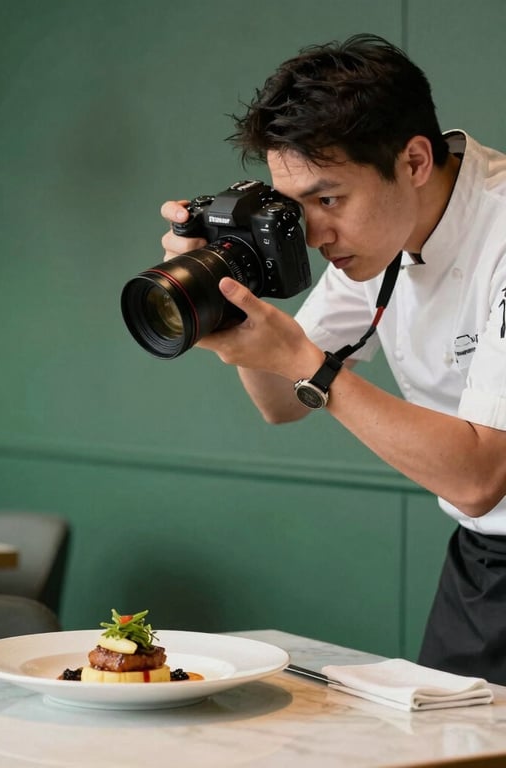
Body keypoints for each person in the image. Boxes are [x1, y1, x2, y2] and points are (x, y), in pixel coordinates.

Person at [160, 33, 506, 684]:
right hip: (482, 561)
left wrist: (309, 363)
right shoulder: (371, 234)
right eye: (298, 207)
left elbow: (480, 477)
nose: (316, 235)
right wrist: (232, 311)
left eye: (329, 199)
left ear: (413, 161)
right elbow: (281, 403)